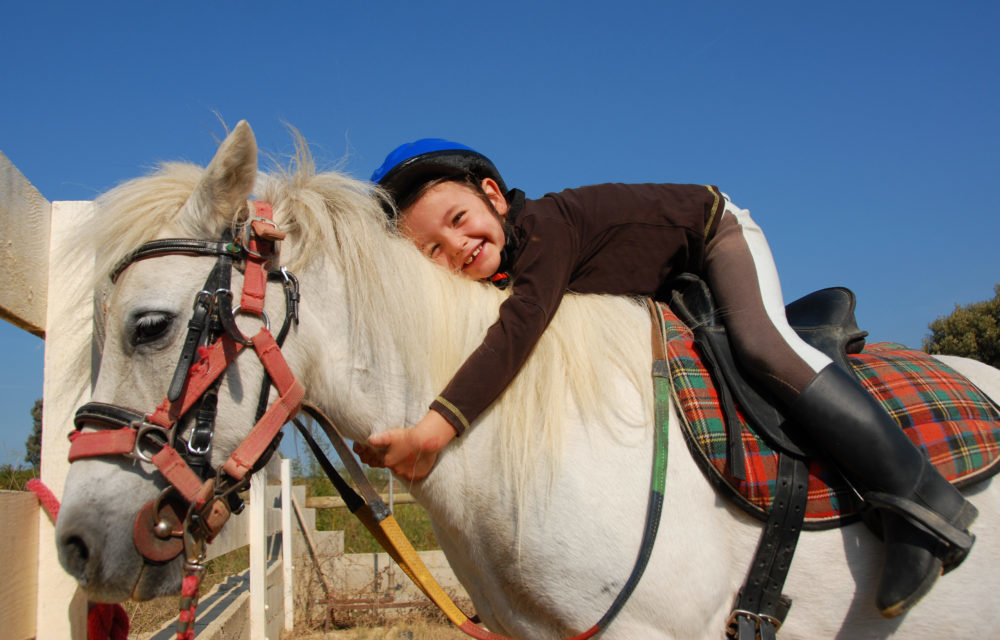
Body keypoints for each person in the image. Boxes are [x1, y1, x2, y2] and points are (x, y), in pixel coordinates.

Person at [359, 138, 977, 617]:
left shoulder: (544, 230)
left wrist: (436, 429)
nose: (455, 245)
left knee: (764, 348)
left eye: (458, 218)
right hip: (663, 281)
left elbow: (518, 331)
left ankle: (922, 503)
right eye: (433, 251)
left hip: (714, 233)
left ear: (494, 195)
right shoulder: (509, 265)